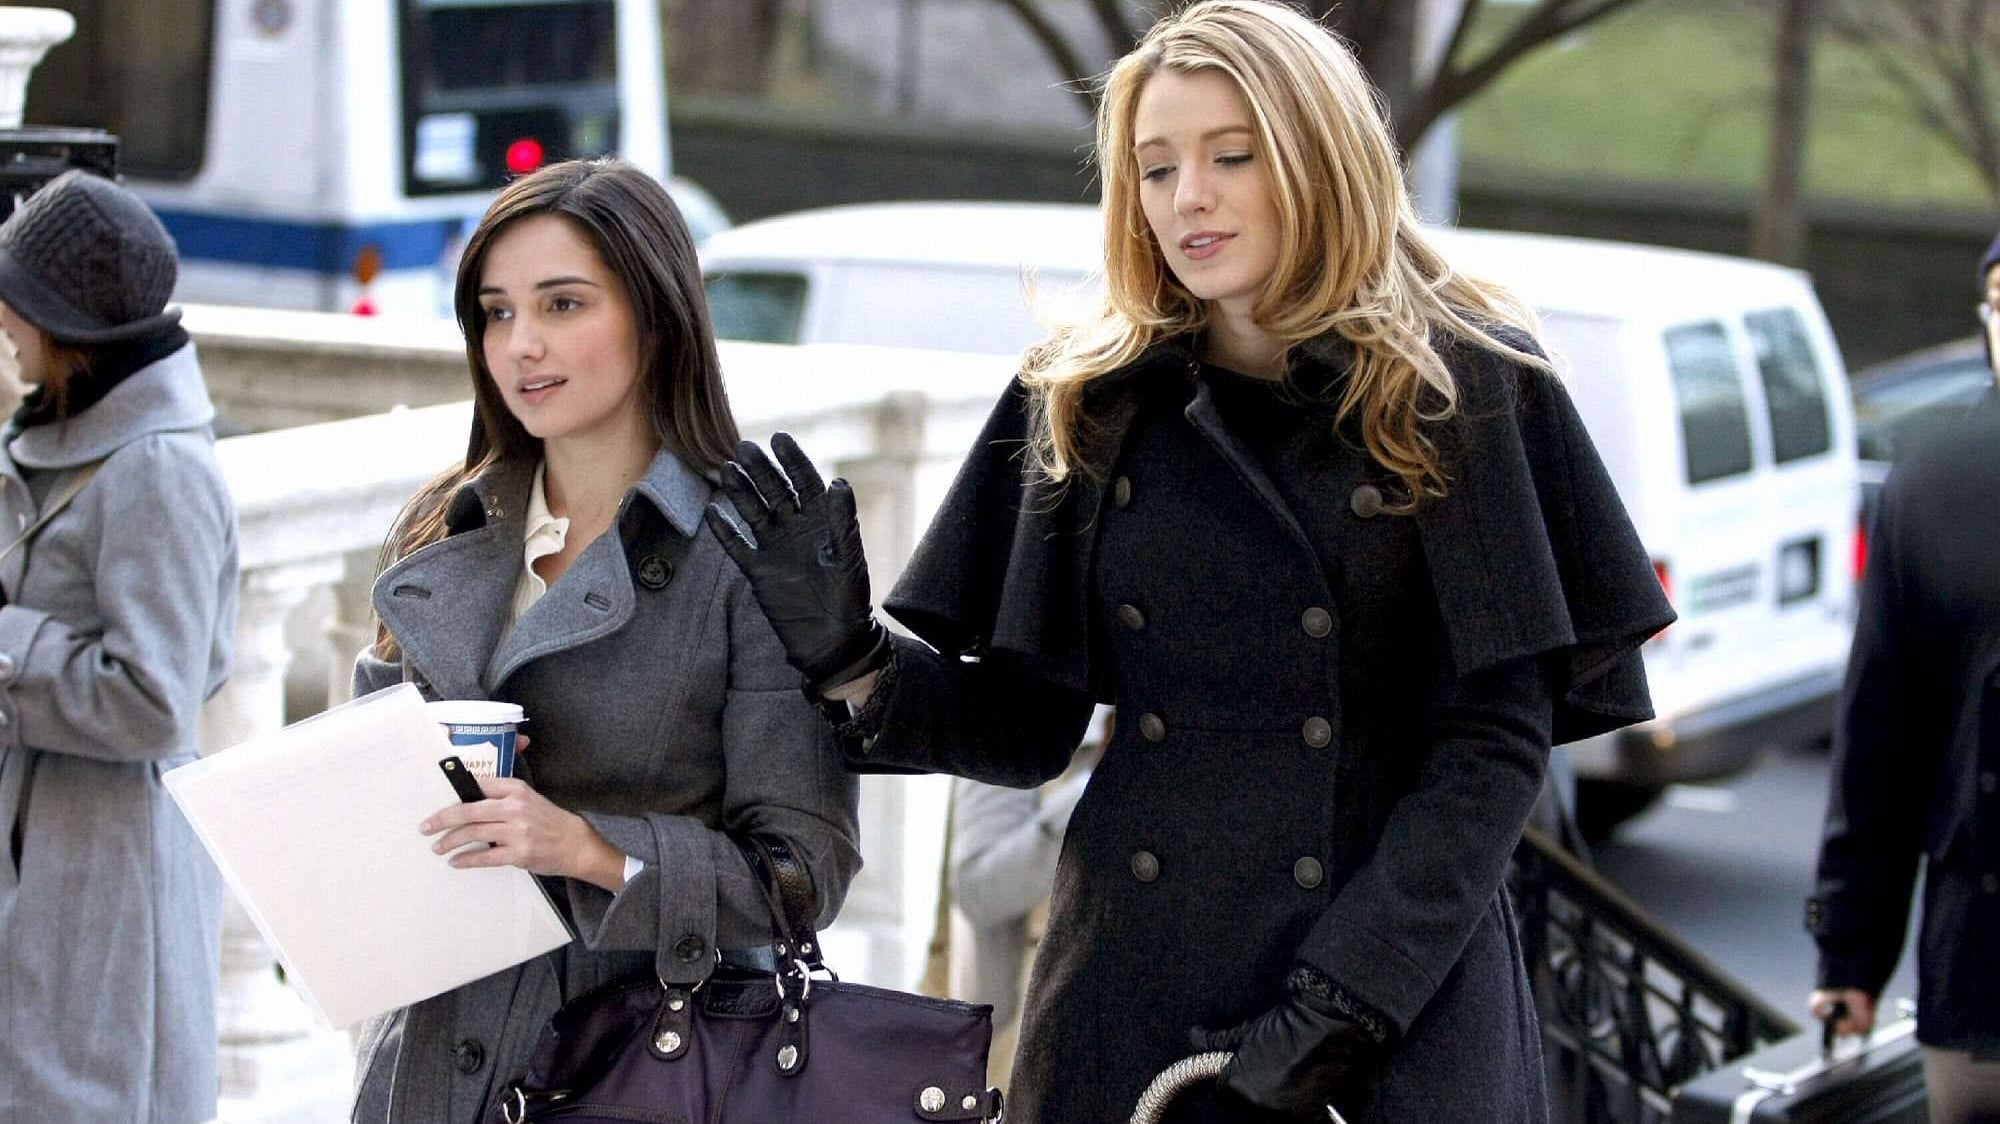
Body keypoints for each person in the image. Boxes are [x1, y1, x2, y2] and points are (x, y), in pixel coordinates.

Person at [705, 3, 1674, 1121]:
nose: (1186, 199)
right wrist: (853, 656)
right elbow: (1024, 726)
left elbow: (1491, 751)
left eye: (1230, 156)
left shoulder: (1462, 384)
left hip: (1390, 1007)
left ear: (1320, 156)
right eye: (1155, 167)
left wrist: (1339, 1010)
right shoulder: (1088, 397)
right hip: (1132, 990)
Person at [348, 158, 861, 1124]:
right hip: (430, 1067)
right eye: (496, 313)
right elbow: (368, 795)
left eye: (563, 304)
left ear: (656, 318)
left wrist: (584, 847)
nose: (522, 344)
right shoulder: (440, 529)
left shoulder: (745, 554)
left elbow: (804, 872)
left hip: (640, 1068)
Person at [0, 170, 239, 1123]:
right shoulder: (62, 431)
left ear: (65, 324)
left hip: (108, 863)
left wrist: (8, 643)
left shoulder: (157, 468)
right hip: (49, 846)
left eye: (15, 300)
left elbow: (155, 697)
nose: (3, 319)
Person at [1806, 231, 2000, 1124]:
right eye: (1998, 306)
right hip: (1977, 974)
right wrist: (1849, 952)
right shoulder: (1933, 487)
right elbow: (1881, 736)